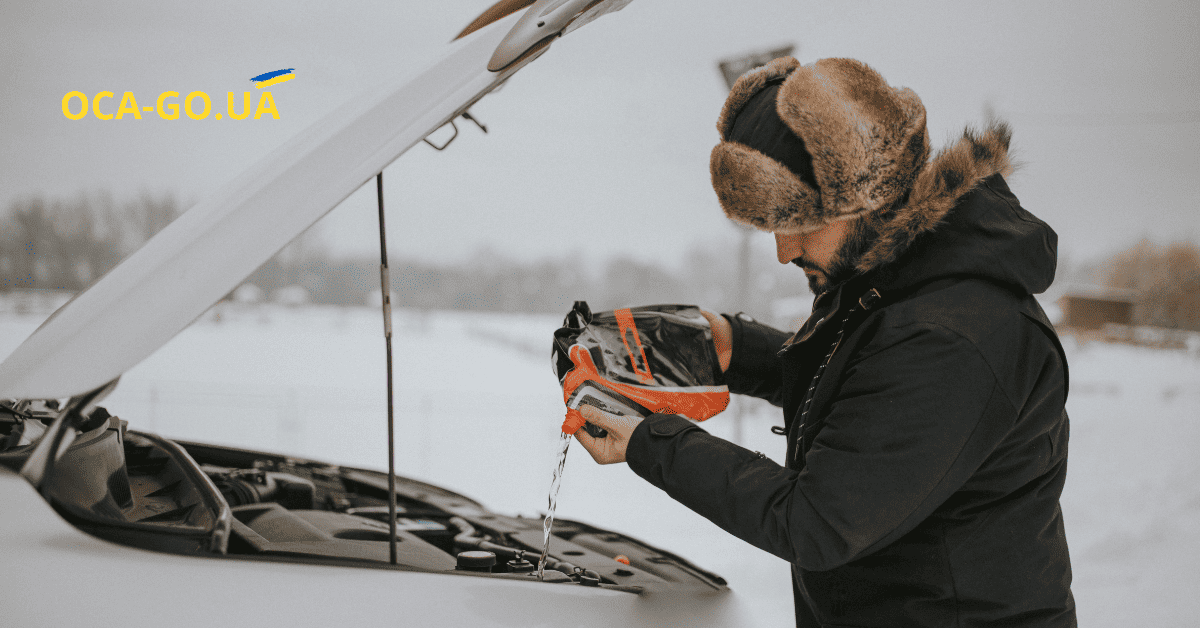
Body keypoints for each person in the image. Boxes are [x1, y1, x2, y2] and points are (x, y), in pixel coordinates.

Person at [574, 57, 1076, 627]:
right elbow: (867, 385)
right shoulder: (901, 283)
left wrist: (650, 442)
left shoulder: (952, 335)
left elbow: (817, 521)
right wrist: (734, 348)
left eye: (798, 221)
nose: (784, 250)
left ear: (868, 195)